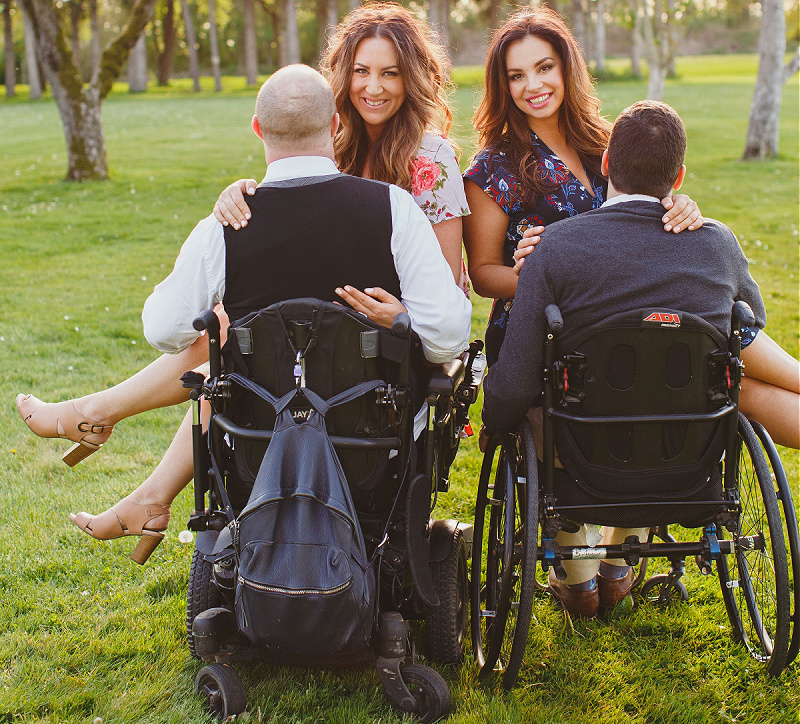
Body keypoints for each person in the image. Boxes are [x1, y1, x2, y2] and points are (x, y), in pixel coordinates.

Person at [19, 65, 471, 560]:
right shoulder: (394, 207)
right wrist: (401, 315)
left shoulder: (228, 223)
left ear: (257, 128)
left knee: (222, 333)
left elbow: (162, 329)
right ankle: (108, 436)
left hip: (257, 437)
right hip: (369, 437)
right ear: (337, 124)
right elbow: (448, 336)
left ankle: (98, 422)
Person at [482, 100, 770, 619]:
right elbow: (751, 322)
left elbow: (518, 374)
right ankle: (619, 570)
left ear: (607, 164)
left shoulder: (557, 246)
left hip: (583, 448)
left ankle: (579, 582)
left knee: (534, 406)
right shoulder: (717, 245)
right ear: (678, 176)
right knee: (656, 400)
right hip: (689, 447)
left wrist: (494, 418)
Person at [463, 7, 799, 448]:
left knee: (735, 373)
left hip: (646, 311)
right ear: (502, 85)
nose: (534, 86)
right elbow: (484, 275)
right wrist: (533, 276)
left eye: (545, 68)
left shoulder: (607, 141)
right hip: (551, 327)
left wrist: (681, 206)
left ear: (567, 68)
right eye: (516, 76)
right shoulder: (493, 169)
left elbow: (647, 200)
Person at [215, 2, 469, 287]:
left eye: (390, 73)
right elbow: (285, 211)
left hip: (403, 319)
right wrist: (240, 193)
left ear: (411, 79)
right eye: (361, 71)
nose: (373, 88)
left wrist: (400, 316)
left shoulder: (432, 159)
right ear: (344, 72)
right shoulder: (327, 144)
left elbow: (447, 283)